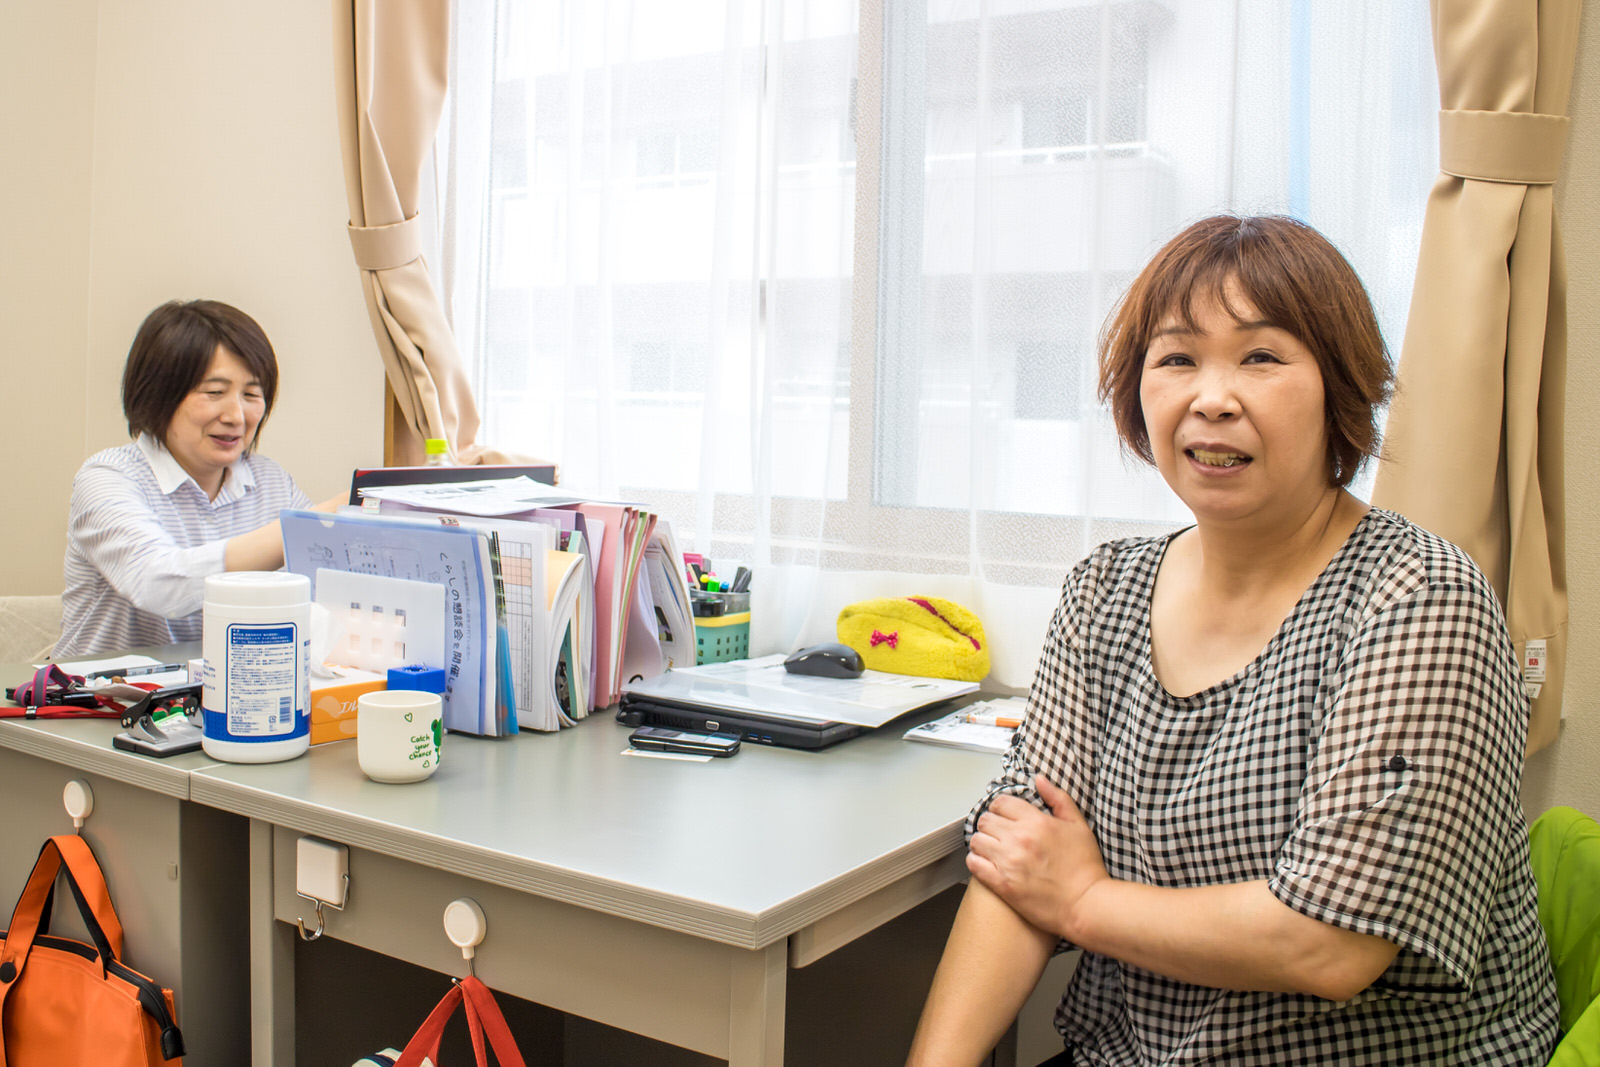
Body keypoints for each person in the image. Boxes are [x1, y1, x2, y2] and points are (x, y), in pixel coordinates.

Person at [906, 216, 1560, 1065]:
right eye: (1177, 358)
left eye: (1261, 357)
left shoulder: (1417, 597)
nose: (1212, 396)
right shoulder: (1106, 589)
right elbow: (1020, 857)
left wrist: (1084, 901)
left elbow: (1331, 944)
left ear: (1339, 389)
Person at [55, 299, 338, 657]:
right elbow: (158, 584)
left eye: (251, 394)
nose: (237, 415)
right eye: (215, 393)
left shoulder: (270, 482)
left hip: (225, 697)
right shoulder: (109, 476)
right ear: (159, 393)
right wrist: (313, 526)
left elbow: (323, 586)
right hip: (100, 702)